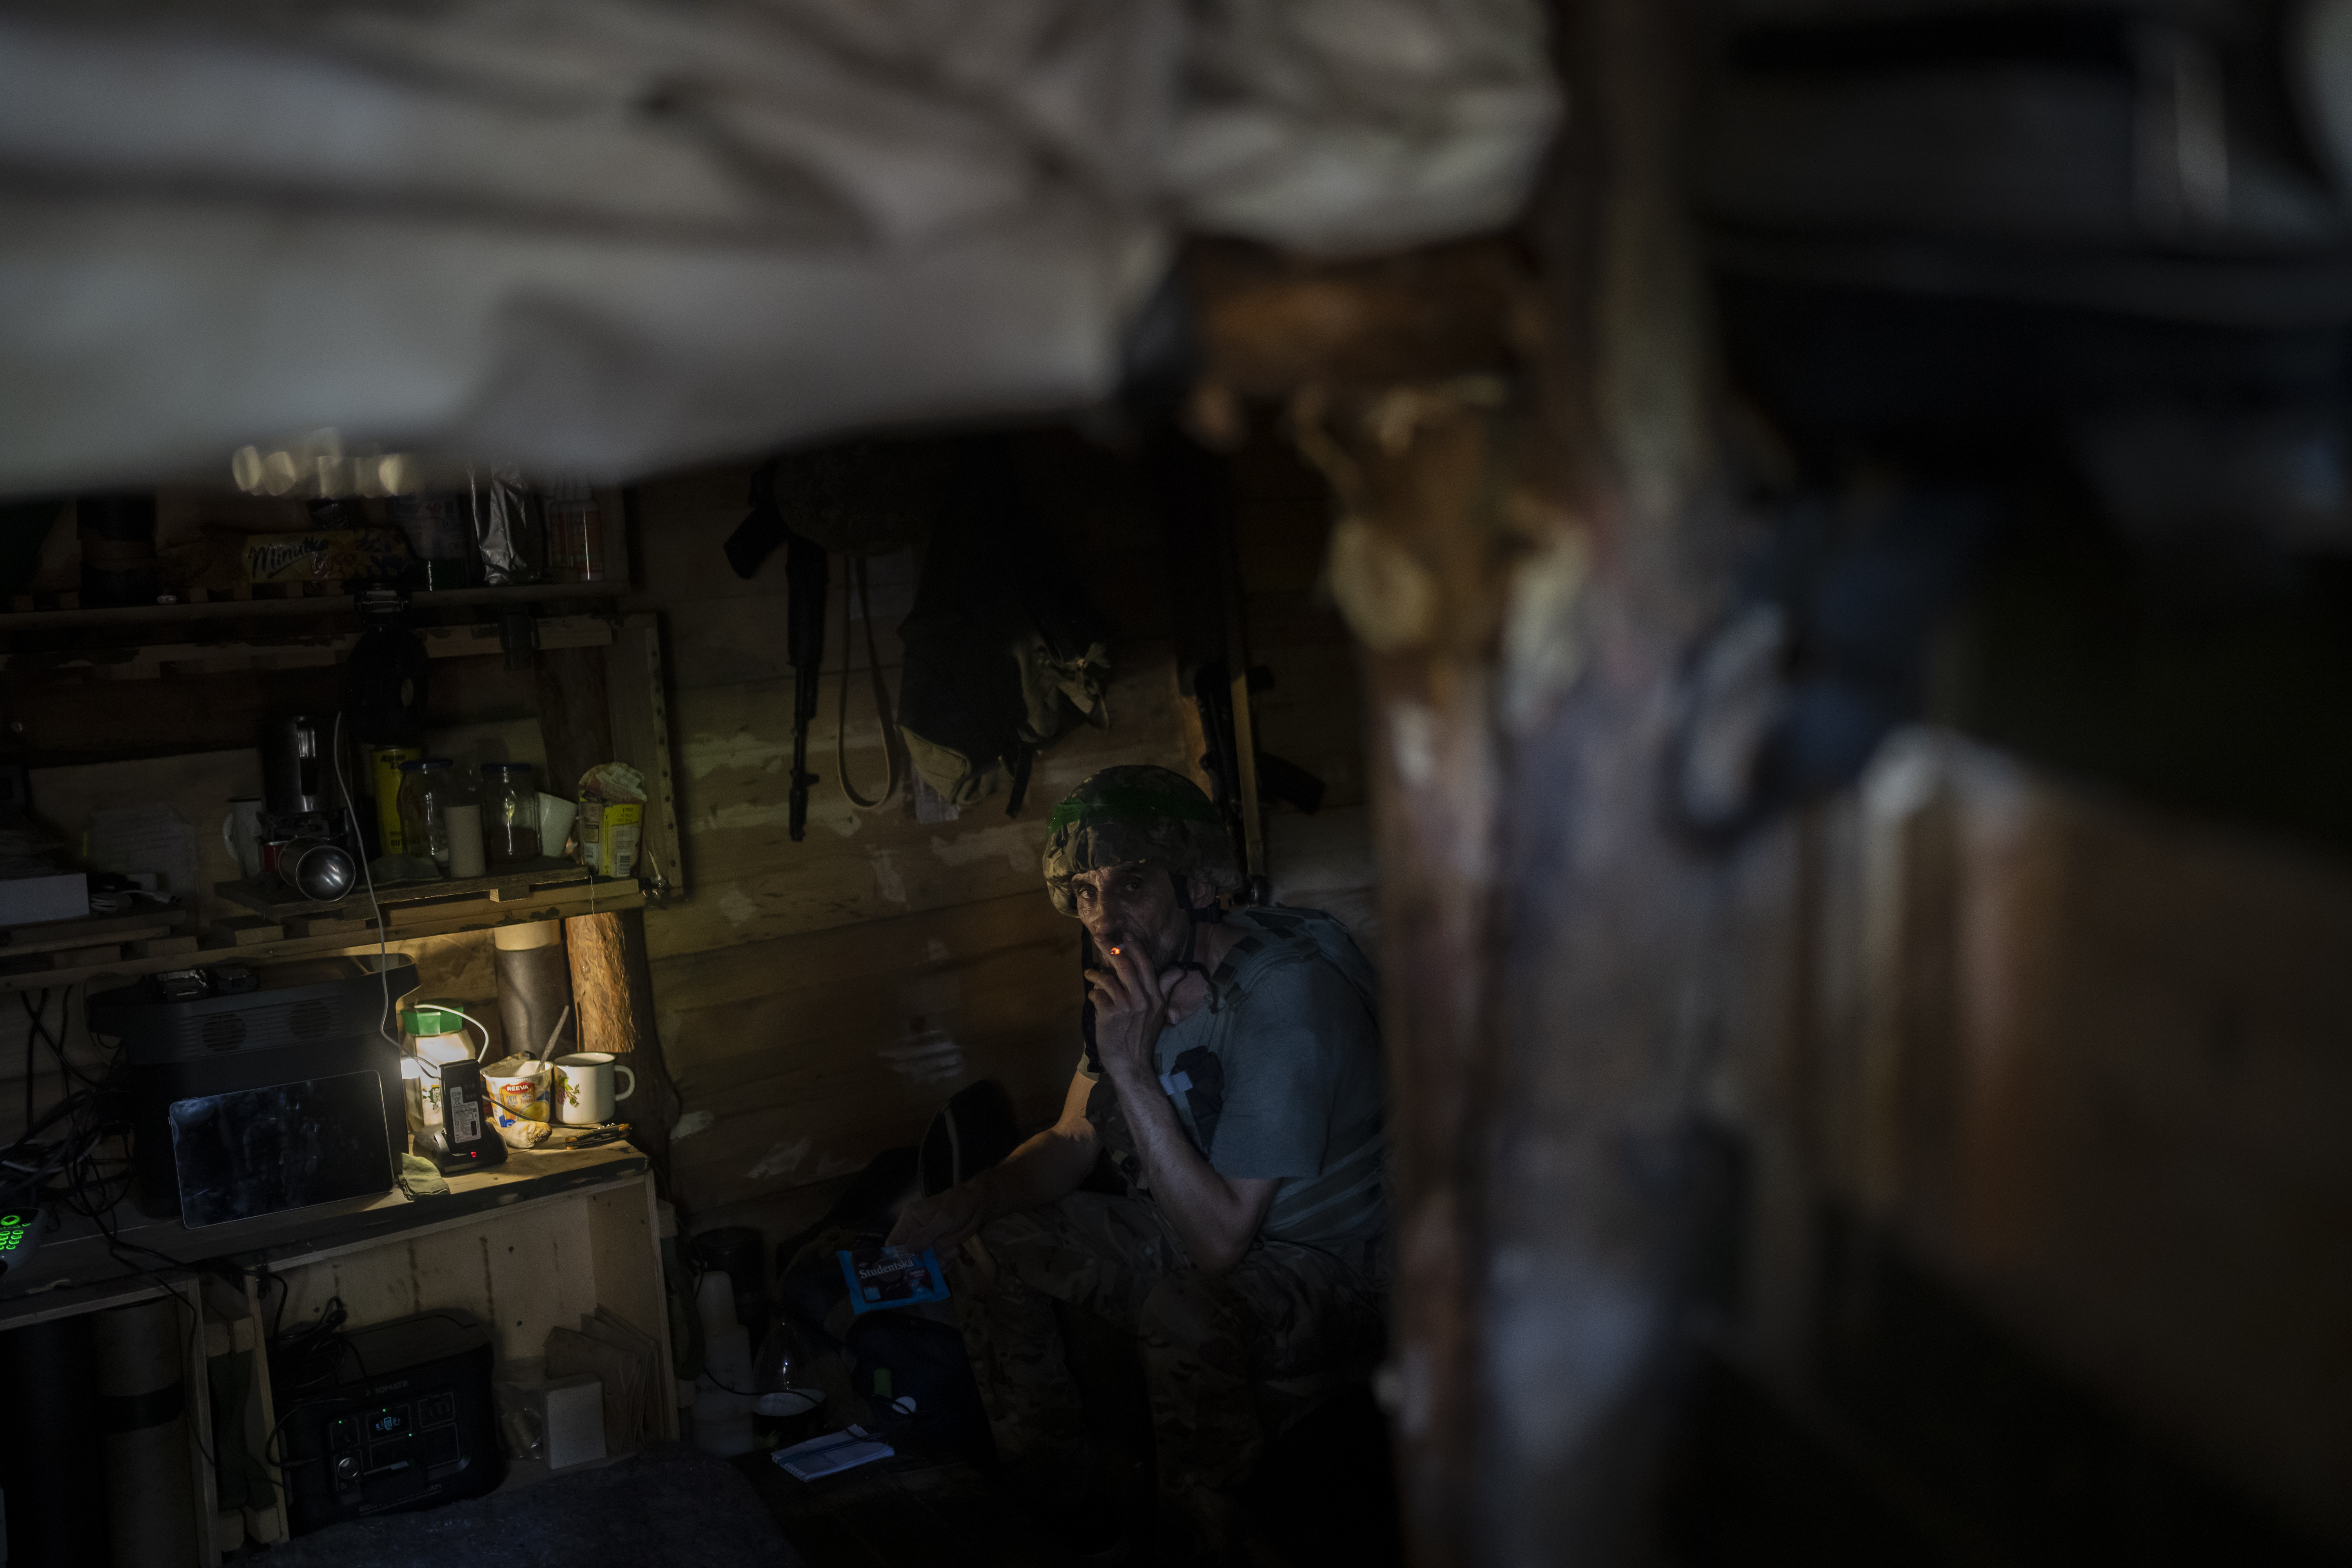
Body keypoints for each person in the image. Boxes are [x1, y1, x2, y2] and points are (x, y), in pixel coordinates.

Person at [887, 764, 1388, 1563]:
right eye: (1084, 891)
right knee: (994, 1241)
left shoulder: (1286, 998)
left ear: (1195, 883)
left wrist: (1132, 1068)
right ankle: (1064, 1508)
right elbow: (1072, 1140)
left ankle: (1206, 1542)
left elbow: (1223, 1245)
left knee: (1186, 1310)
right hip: (1203, 1220)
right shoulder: (1139, 981)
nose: (1102, 914)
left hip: (1332, 1264)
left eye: (1131, 884)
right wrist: (971, 1197)